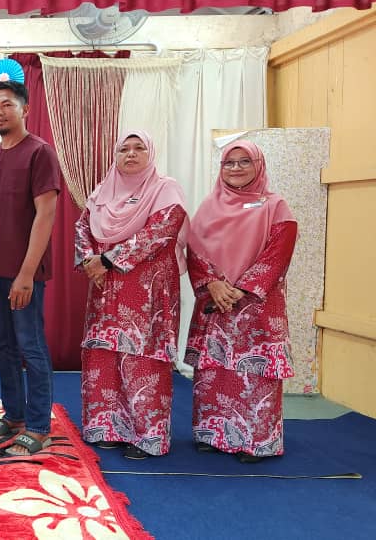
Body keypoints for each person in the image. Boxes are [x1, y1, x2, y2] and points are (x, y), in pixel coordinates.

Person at [75, 130, 188, 460]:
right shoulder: (102, 191)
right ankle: (106, 426)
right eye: (124, 149)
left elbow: (161, 231)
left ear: (151, 153)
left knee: (143, 359)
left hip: (147, 289)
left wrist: (108, 260)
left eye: (139, 148)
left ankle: (147, 436)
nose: (131, 154)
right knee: (104, 355)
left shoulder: (165, 189)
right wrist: (89, 260)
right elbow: (83, 227)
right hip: (105, 288)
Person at [185, 140, 297, 463]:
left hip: (257, 305)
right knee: (215, 370)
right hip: (216, 301)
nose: (235, 168)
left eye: (244, 161)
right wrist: (212, 283)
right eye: (229, 162)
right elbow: (195, 251)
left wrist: (243, 289)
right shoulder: (208, 207)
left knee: (254, 373)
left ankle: (256, 441)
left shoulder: (276, 206)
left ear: (258, 165)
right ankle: (212, 433)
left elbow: (278, 252)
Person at [0, 80, 61, 456]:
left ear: (25, 109)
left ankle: (38, 426)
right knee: (3, 346)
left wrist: (26, 274)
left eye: (7, 105)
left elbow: (46, 215)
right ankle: (13, 414)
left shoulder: (40, 153)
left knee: (30, 346)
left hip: (24, 274)